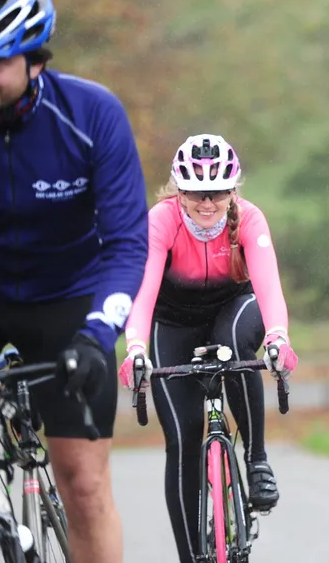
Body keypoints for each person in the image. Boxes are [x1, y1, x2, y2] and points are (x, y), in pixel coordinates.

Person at [0, 0, 148, 562]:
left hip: (71, 297)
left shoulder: (92, 114)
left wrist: (97, 333)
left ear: (35, 62)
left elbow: (128, 242)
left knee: (83, 482)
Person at [119, 133, 298, 563]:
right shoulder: (161, 221)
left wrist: (278, 338)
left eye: (217, 193)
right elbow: (142, 292)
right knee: (181, 441)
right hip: (172, 322)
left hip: (233, 309)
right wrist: (136, 347)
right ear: (178, 190)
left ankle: (255, 460)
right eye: (196, 193)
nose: (206, 203)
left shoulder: (248, 219)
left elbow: (270, 287)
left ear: (232, 190)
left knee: (233, 342)